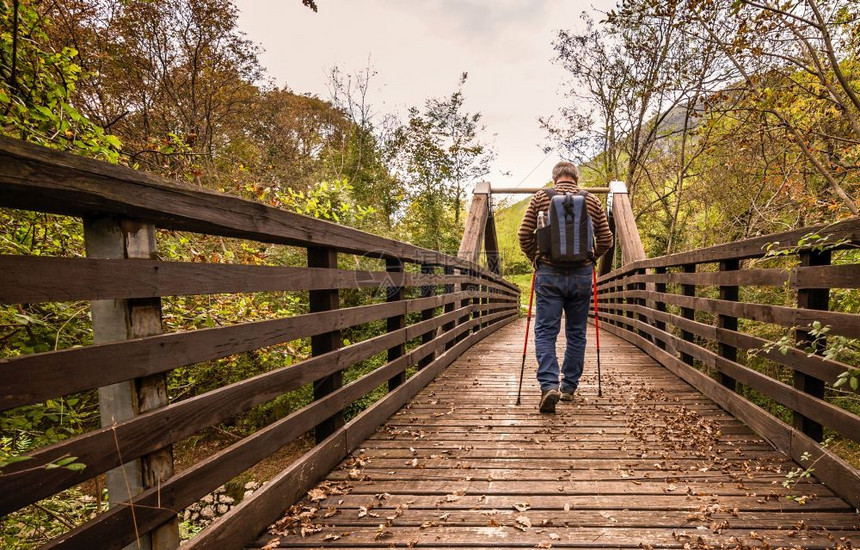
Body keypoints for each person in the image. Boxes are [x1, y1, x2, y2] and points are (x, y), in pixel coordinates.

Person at [517, 161, 613, 413]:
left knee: (546, 331)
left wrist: (536, 258)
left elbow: (524, 234)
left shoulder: (541, 197)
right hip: (582, 275)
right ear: (576, 179)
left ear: (555, 178)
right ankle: (569, 387)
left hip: (549, 274)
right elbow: (606, 238)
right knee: (576, 332)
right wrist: (591, 257)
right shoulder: (591, 200)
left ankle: (549, 385)